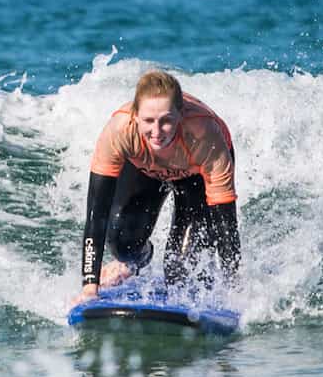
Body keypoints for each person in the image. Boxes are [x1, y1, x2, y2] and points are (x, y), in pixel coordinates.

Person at [76, 69, 241, 301]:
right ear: (135, 116)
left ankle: (206, 278)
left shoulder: (205, 135)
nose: (156, 132)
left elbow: (226, 223)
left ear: (180, 115)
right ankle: (135, 263)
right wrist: (89, 287)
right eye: (148, 121)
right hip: (144, 168)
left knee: (181, 274)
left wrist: (234, 288)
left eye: (166, 121)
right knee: (123, 246)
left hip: (196, 177)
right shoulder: (118, 131)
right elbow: (96, 215)